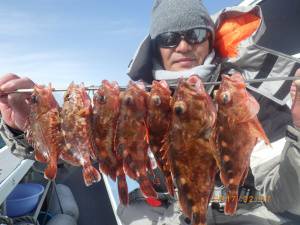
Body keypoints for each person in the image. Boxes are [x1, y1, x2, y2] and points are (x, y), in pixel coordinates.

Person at [0, 0, 300, 225]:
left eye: (195, 33)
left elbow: (284, 198)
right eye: (169, 38)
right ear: (155, 48)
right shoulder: (132, 102)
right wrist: (25, 130)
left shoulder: (255, 97)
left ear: (210, 38)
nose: (183, 45)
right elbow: (85, 152)